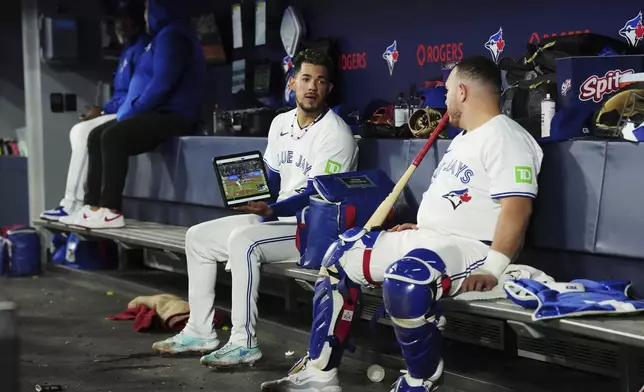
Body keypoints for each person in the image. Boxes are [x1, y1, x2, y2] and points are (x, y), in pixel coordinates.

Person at [260, 56, 544, 392]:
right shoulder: (465, 138)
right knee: (341, 253)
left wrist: (494, 269)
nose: (447, 97)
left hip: (473, 251)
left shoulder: (506, 137)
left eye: (449, 90)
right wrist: (421, 229)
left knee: (407, 280)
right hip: (434, 241)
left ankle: (421, 379)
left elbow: (517, 210)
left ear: (463, 92)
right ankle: (320, 374)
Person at [151, 49, 359, 368]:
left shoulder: (337, 135)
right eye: (305, 79)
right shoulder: (280, 123)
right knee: (198, 238)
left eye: (320, 81)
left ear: (329, 89)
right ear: (292, 83)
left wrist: (270, 211)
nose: (312, 87)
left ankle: (244, 342)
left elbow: (317, 197)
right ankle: (200, 331)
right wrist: (248, 193)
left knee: (244, 242)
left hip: (315, 230)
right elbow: (272, 179)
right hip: (278, 220)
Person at [60, 0, 206, 229]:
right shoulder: (161, 36)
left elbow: (162, 83)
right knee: (96, 134)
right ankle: (92, 207)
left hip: (176, 116)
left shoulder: (174, 36)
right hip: (158, 113)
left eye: (149, 7)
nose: (147, 13)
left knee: (112, 137)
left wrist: (135, 108)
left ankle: (111, 210)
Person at [40, 2, 148, 222]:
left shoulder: (144, 47)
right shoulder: (127, 50)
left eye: (125, 19)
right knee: (80, 130)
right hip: (120, 110)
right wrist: (103, 110)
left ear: (137, 21)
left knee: (83, 132)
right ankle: (75, 204)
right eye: (118, 20)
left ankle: (77, 204)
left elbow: (137, 94)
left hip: (135, 113)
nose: (120, 25)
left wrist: (103, 111)